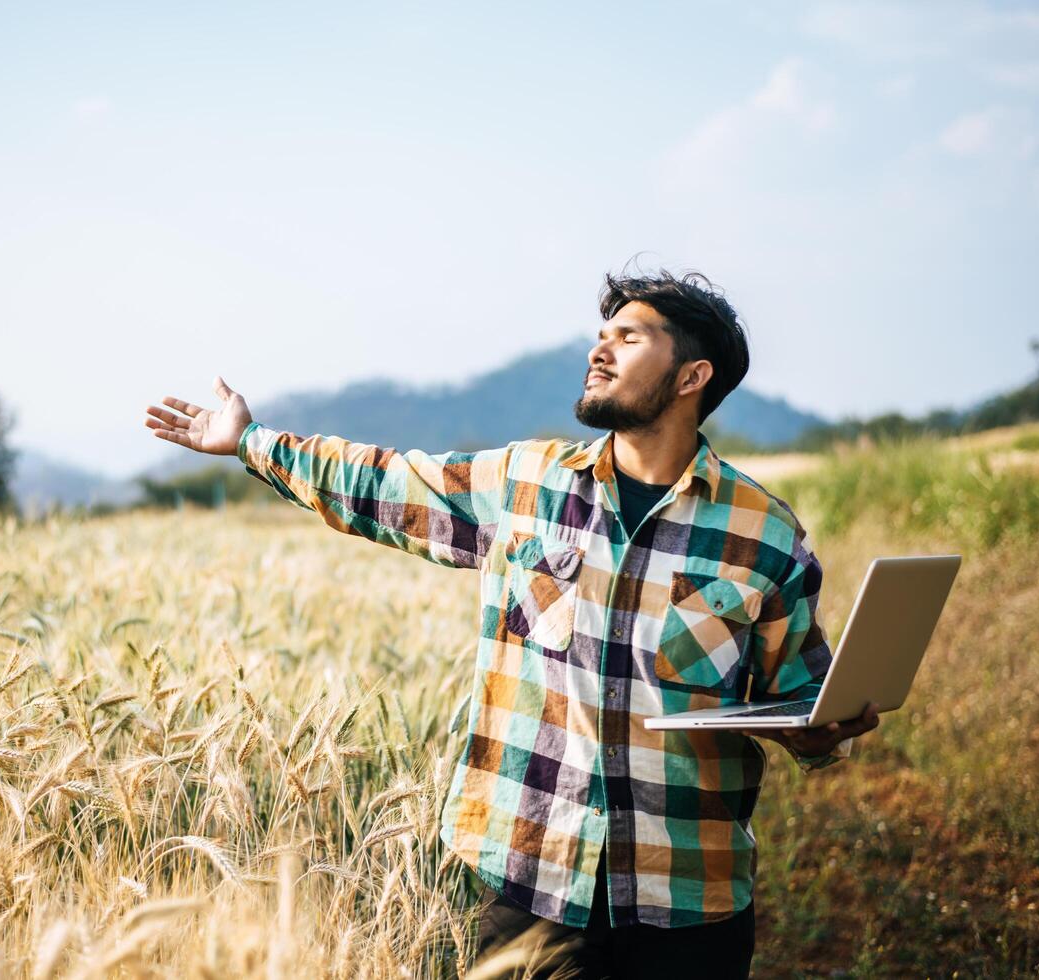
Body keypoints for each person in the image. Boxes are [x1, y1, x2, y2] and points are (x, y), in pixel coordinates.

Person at [144, 266, 880, 979]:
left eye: (628, 338)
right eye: (602, 333)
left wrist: (816, 730)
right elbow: (381, 482)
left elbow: (797, 696)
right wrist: (249, 441)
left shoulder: (765, 534)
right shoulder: (527, 485)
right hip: (533, 878)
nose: (598, 349)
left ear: (691, 378)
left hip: (688, 898)